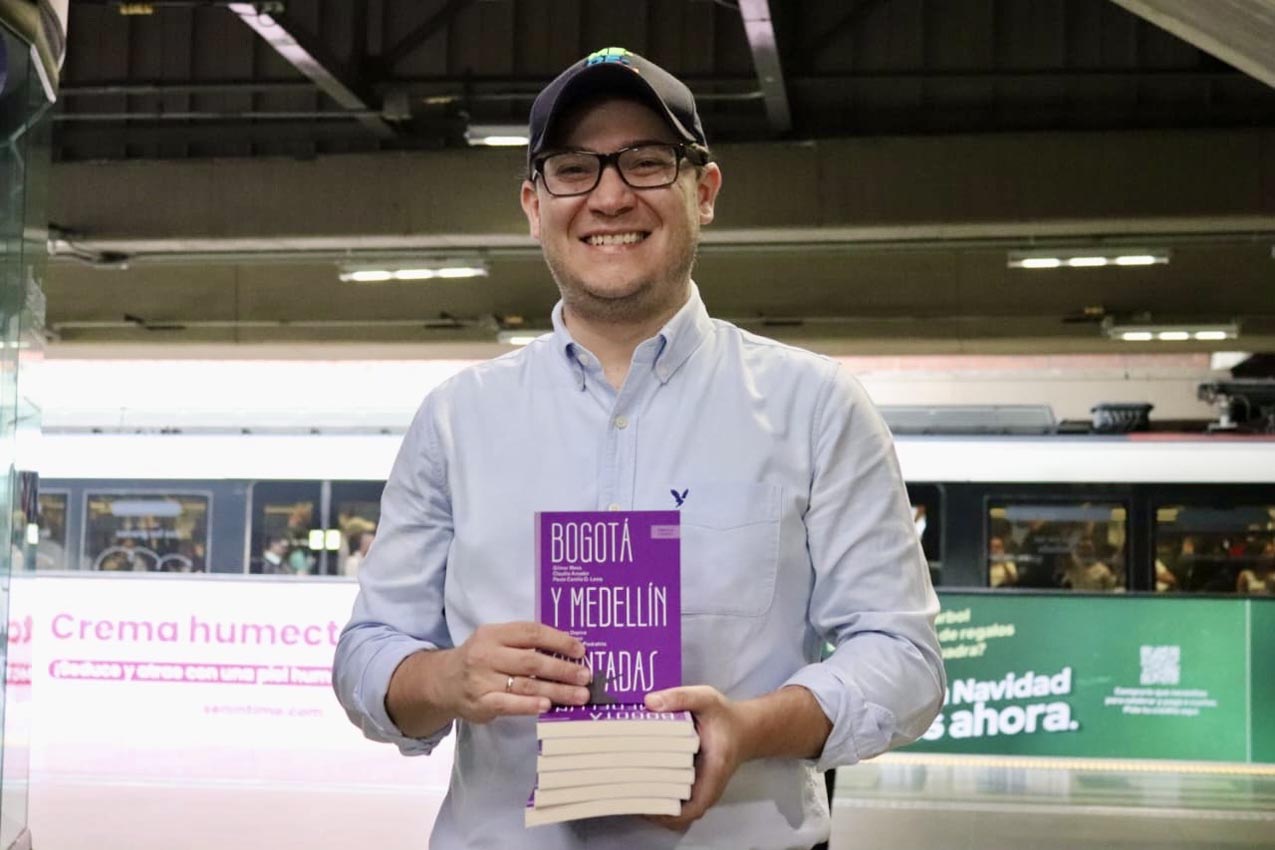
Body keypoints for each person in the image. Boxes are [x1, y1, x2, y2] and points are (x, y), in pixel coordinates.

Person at [333, 46, 945, 849]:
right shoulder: (455, 418)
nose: (610, 194)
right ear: (533, 202)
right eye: (573, 167)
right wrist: (447, 678)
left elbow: (904, 660)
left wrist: (752, 726)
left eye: (647, 162)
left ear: (706, 191)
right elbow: (368, 654)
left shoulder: (816, 405)